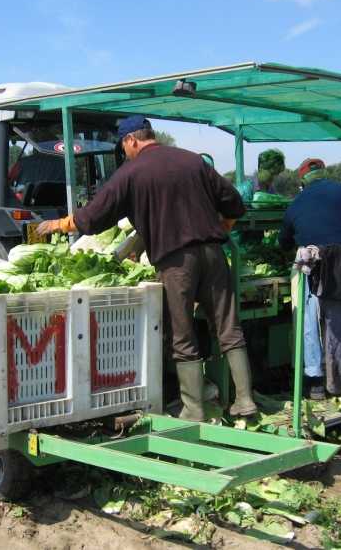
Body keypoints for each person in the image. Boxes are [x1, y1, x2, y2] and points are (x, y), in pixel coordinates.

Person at [36, 115, 257, 421]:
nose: (125, 151)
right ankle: (245, 400)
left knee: (182, 334)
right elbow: (233, 202)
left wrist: (61, 223)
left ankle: (193, 410)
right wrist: (218, 228)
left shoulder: (131, 172)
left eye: (124, 146)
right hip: (214, 253)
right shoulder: (193, 161)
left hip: (177, 262)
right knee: (229, 328)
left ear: (132, 141)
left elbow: (96, 215)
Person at [280, 158, 341, 399]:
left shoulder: (296, 203)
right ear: (325, 175)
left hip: (313, 271)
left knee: (309, 322)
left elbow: (283, 242)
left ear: (302, 181)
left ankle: (315, 381)